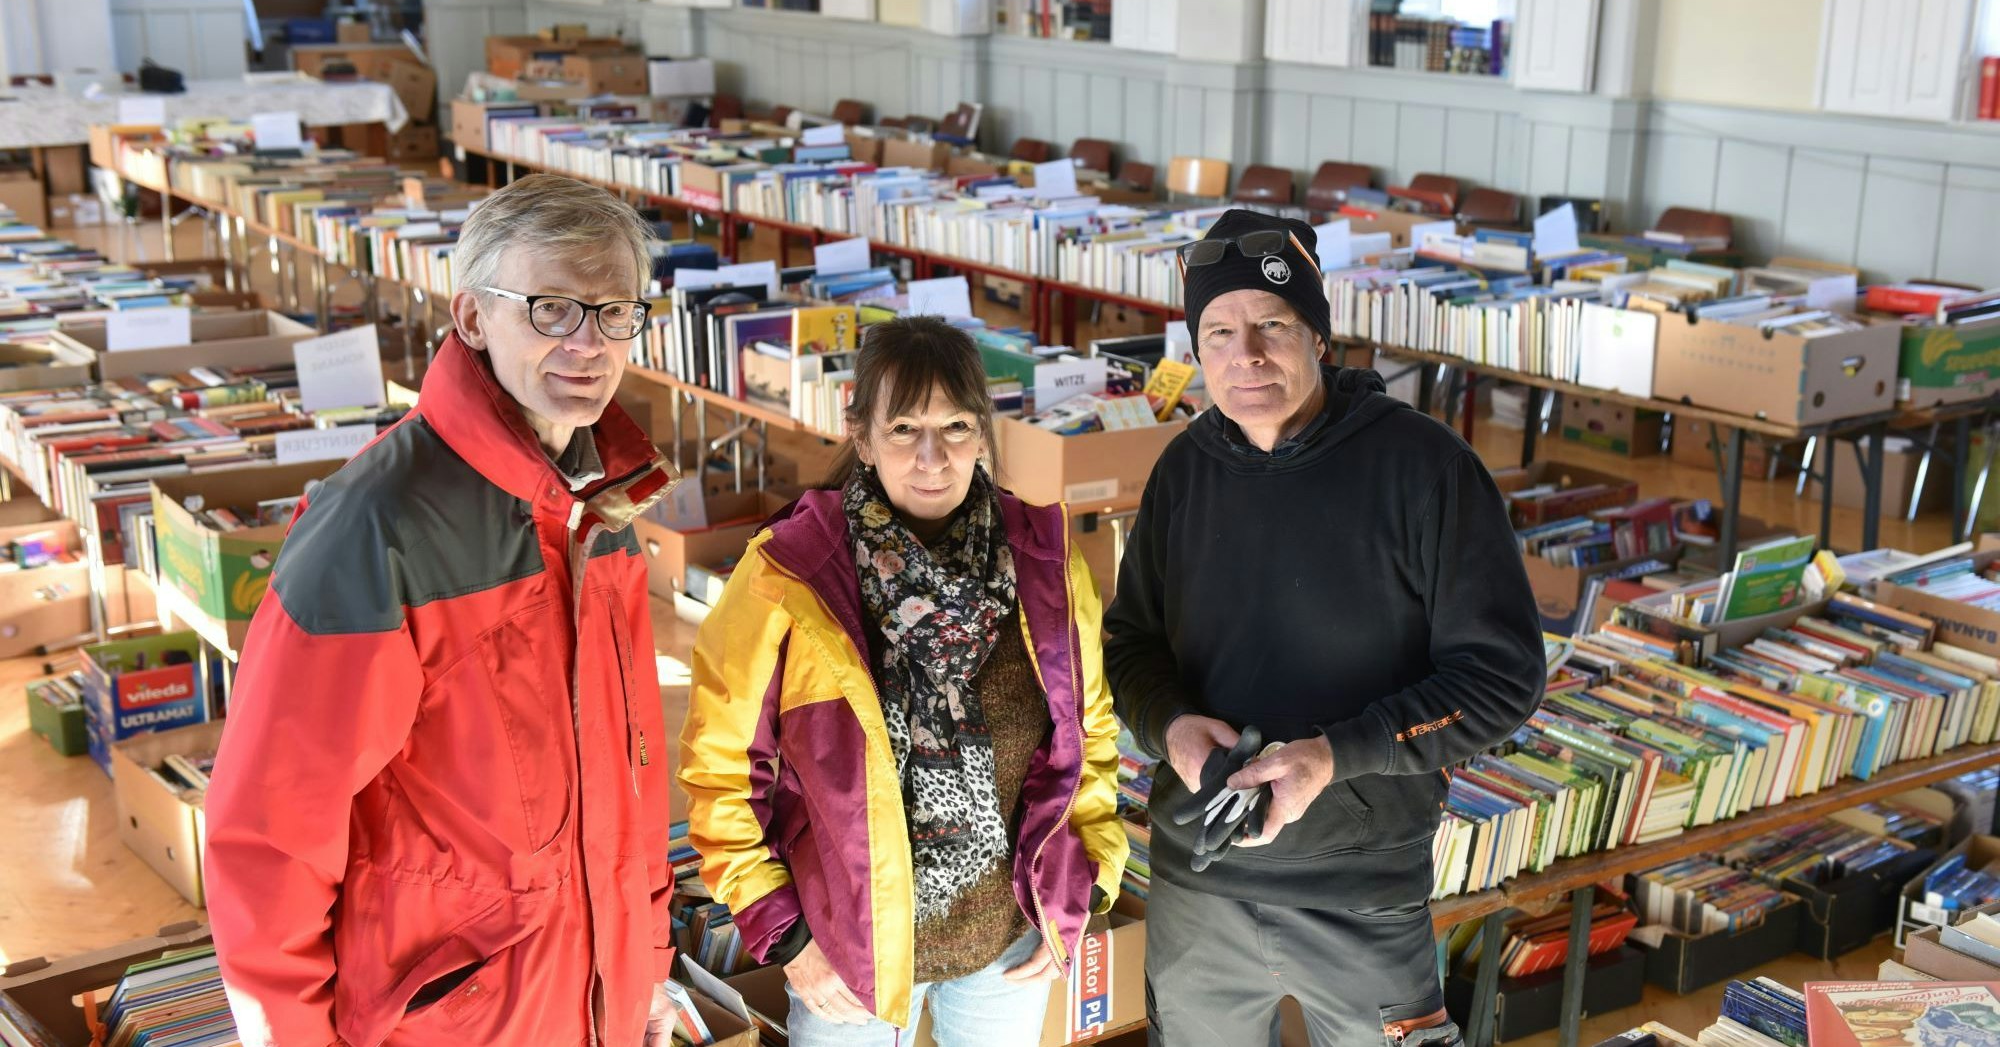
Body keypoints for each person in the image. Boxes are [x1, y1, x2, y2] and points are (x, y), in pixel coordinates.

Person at [204, 174, 683, 1047]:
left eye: (616, 312)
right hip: (449, 1020)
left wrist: (644, 965)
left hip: (592, 998)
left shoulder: (602, 508)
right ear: (471, 318)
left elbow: (634, 769)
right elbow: (271, 835)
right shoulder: (373, 527)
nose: (591, 343)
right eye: (552, 309)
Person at [1104, 209, 1544, 1046]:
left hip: (1365, 894)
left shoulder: (1426, 469)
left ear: (1319, 334)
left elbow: (1502, 676)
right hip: (1201, 886)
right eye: (1220, 331)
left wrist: (1336, 754)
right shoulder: (1181, 472)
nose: (1248, 355)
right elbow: (1130, 645)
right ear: (1196, 350)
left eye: (1273, 325)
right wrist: (1173, 726)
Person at [678, 316, 1127, 1046]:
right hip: (847, 957)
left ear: (983, 432)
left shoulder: (1044, 565)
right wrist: (788, 938)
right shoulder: (786, 575)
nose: (932, 456)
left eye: (955, 425)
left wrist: (1085, 887)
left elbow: (1090, 736)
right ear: (861, 436)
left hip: (1009, 944)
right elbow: (720, 769)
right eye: (904, 428)